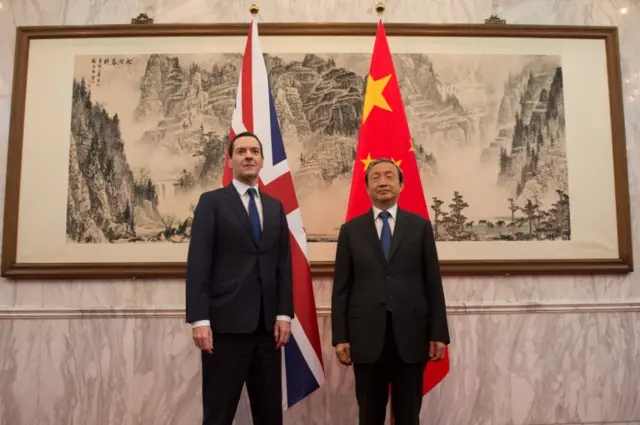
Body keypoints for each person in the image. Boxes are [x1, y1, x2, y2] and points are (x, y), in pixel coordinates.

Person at [185, 131, 294, 425]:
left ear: (261, 160)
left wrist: (284, 314)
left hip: (268, 330)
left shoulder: (274, 206)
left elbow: (283, 263)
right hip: (224, 330)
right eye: (242, 151)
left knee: (269, 415)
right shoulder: (212, 202)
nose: (249, 156)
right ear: (230, 159)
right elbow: (198, 263)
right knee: (219, 414)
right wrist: (200, 320)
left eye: (255, 152)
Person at [331, 158, 450, 425]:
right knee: (369, 416)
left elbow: (432, 282)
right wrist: (340, 337)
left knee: (408, 415)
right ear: (367, 187)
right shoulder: (351, 231)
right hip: (365, 338)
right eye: (375, 178)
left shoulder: (419, 228)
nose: (382, 182)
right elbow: (342, 288)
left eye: (389, 176)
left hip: (411, 337)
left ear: (401, 184)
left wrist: (438, 333)